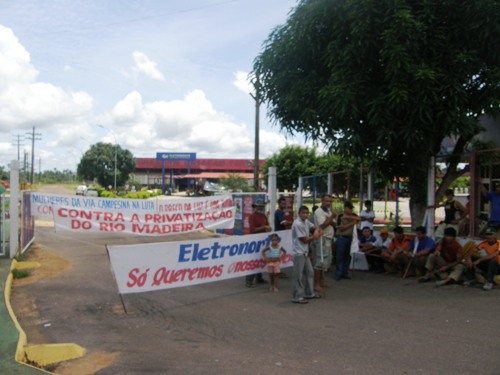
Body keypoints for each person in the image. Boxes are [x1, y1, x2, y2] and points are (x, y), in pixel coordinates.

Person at [291, 205, 323, 304]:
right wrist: (315, 236)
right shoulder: (297, 224)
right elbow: (304, 240)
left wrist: (318, 230)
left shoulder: (306, 221)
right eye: (303, 213)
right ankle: (297, 297)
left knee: (310, 272)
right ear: (299, 213)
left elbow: (314, 226)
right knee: (298, 275)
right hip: (298, 252)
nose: (305, 215)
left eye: (306, 213)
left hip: (305, 252)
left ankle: (309, 293)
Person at [312, 194, 338, 292]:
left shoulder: (328, 212)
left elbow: (334, 224)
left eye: (330, 201)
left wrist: (330, 219)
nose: (328, 203)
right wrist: (331, 218)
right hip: (322, 238)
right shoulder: (319, 212)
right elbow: (323, 225)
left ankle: (322, 282)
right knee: (320, 261)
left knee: (326, 260)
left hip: (329, 238)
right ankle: (317, 284)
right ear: (322, 201)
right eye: (327, 201)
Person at [245, 199, 272, 288]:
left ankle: (259, 278)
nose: (260, 208)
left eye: (261, 206)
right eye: (258, 206)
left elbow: (268, 226)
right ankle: (249, 280)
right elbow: (253, 229)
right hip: (254, 240)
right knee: (253, 260)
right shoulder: (252, 216)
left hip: (262, 240)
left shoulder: (264, 216)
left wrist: (268, 228)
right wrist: (264, 227)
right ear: (255, 207)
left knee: (260, 258)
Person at [335, 201, 360, 281]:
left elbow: (359, 219)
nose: (351, 210)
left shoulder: (353, 216)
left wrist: (349, 218)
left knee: (347, 256)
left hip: (349, 238)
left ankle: (345, 272)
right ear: (345, 208)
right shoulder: (340, 216)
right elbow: (341, 228)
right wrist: (352, 223)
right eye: (349, 209)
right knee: (340, 256)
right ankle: (339, 273)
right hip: (341, 237)